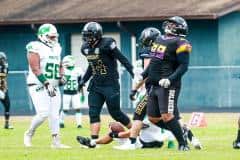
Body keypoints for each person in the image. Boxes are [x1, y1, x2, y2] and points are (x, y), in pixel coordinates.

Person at [115, 27, 202, 150]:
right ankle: (188, 136)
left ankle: (133, 142)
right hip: (156, 87)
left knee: (140, 113)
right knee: (170, 117)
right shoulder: (161, 49)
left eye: (146, 40)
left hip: (157, 87)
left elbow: (149, 72)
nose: (144, 43)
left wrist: (135, 88)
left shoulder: (157, 51)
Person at [79, 22, 134, 140]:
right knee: (93, 112)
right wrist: (84, 79)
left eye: (90, 35)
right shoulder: (85, 48)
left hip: (110, 84)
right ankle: (93, 141)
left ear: (97, 35)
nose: (87, 38)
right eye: (86, 35)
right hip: (96, 84)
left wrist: (134, 74)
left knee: (115, 113)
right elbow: (92, 65)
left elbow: (122, 59)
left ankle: (136, 133)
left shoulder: (107, 43)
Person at [145, 16, 192, 151]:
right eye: (169, 24)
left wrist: (170, 79)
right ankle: (181, 131)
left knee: (167, 116)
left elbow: (183, 66)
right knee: (153, 118)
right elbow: (154, 61)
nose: (169, 26)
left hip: (168, 84)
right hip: (154, 83)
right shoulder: (159, 39)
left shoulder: (182, 43)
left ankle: (183, 144)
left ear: (180, 27)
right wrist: (143, 75)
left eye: (173, 24)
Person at [24, 23, 70, 149]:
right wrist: (46, 83)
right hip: (38, 84)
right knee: (43, 113)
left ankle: (56, 142)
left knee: (55, 114)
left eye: (55, 37)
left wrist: (62, 75)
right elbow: (35, 68)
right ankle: (29, 133)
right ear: (43, 36)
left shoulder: (56, 48)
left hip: (53, 84)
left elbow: (59, 64)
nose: (54, 39)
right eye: (51, 37)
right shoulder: (35, 47)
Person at [76, 119, 175, 149]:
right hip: (154, 140)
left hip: (144, 143)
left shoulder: (149, 117)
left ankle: (92, 143)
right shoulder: (165, 114)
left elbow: (132, 133)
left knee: (114, 128)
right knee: (115, 127)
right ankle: (92, 143)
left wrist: (116, 135)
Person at [59, 55, 85, 128]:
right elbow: (60, 83)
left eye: (66, 62)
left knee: (78, 109)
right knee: (65, 109)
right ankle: (61, 122)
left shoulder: (78, 70)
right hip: (66, 92)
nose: (65, 64)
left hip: (75, 93)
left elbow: (80, 83)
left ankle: (79, 124)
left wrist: (82, 94)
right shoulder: (63, 70)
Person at [0, 52, 13, 129]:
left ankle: (6, 124)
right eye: (2, 59)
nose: (4, 61)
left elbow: (4, 76)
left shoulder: (5, 67)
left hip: (3, 89)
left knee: (7, 105)